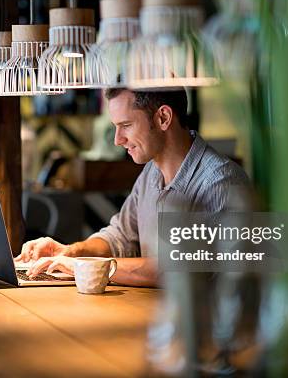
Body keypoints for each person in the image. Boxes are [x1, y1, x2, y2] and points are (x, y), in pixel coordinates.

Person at [16, 88, 250, 286]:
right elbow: (120, 236)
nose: (118, 139)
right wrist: (68, 251)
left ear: (163, 118)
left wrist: (86, 266)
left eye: (126, 125)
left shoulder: (221, 182)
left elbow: (177, 268)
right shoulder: (151, 172)